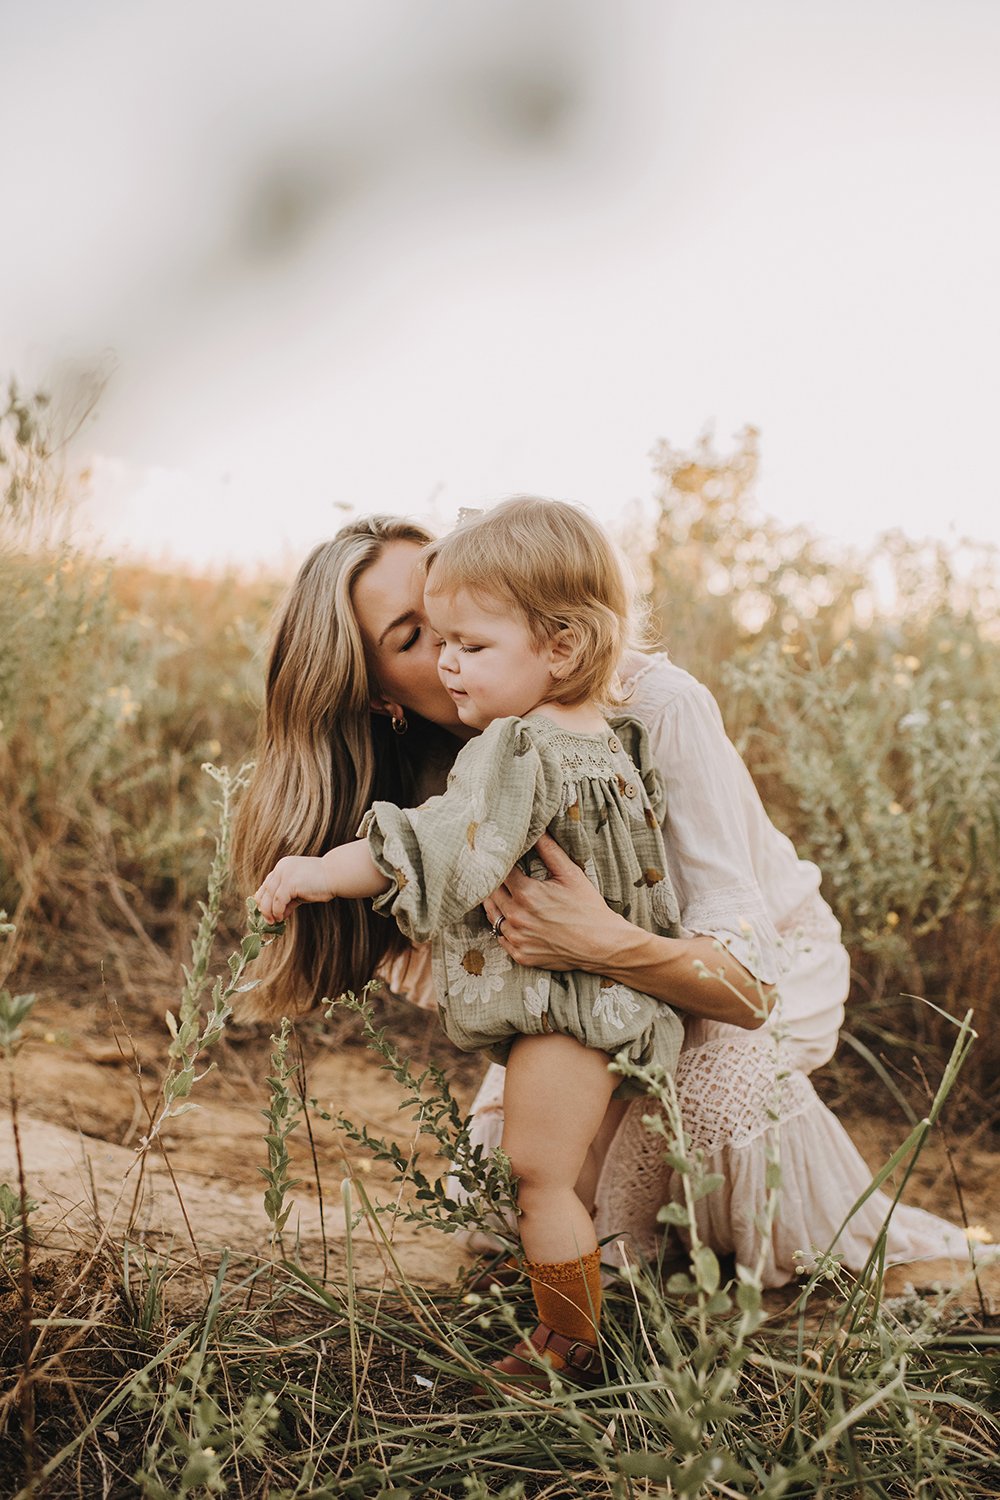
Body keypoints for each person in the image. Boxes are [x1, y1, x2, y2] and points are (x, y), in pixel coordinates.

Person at [233, 506, 977, 1310]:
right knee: (518, 1187)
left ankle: (760, 1275)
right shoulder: (445, 781)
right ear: (379, 696)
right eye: (418, 636)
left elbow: (748, 986)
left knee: (713, 1128)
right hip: (591, 996)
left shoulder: (652, 706)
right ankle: (595, 1298)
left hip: (743, 976)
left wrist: (604, 942)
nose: (453, 638)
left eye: (461, 606)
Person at [254, 498, 694, 1385]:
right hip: (628, 997)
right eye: (431, 642)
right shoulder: (616, 737)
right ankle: (594, 1308)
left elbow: (431, 841)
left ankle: (567, 1347)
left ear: (559, 646)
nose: (452, 662)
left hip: (568, 1007)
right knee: (557, 1176)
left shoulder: (514, 750)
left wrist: (318, 872)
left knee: (539, 1179)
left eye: (470, 644)